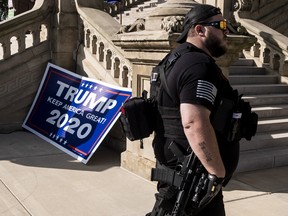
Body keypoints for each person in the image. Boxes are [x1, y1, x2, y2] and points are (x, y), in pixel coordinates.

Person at [147, 3, 240, 216]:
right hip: (194, 174)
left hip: (178, 170)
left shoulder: (172, 60)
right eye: (222, 24)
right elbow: (193, 123)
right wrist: (216, 172)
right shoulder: (198, 65)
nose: (227, 31)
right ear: (200, 30)